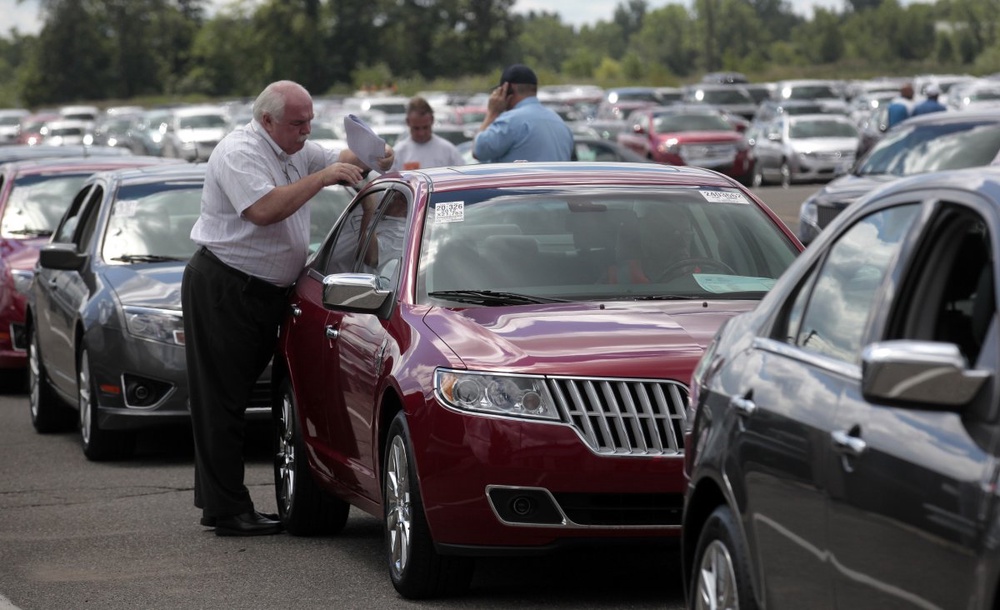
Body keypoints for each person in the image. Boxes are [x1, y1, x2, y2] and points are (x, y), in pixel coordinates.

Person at [182, 80, 394, 537]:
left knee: (230, 400)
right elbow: (263, 210)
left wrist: (376, 155)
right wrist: (321, 178)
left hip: (262, 291)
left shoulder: (293, 148)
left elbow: (343, 162)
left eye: (310, 122)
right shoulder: (239, 151)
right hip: (226, 285)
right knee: (222, 402)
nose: (306, 131)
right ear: (267, 121)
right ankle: (229, 511)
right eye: (298, 123)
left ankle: (218, 505)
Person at [473, 64, 574, 163]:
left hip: (521, 180)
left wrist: (492, 113)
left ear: (506, 88)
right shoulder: (559, 121)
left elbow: (478, 151)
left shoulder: (511, 121)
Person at [390, 96, 465, 170]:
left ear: (432, 120)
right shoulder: (399, 153)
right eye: (416, 128)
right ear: (408, 122)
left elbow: (462, 177)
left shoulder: (448, 151)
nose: (421, 133)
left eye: (425, 127)